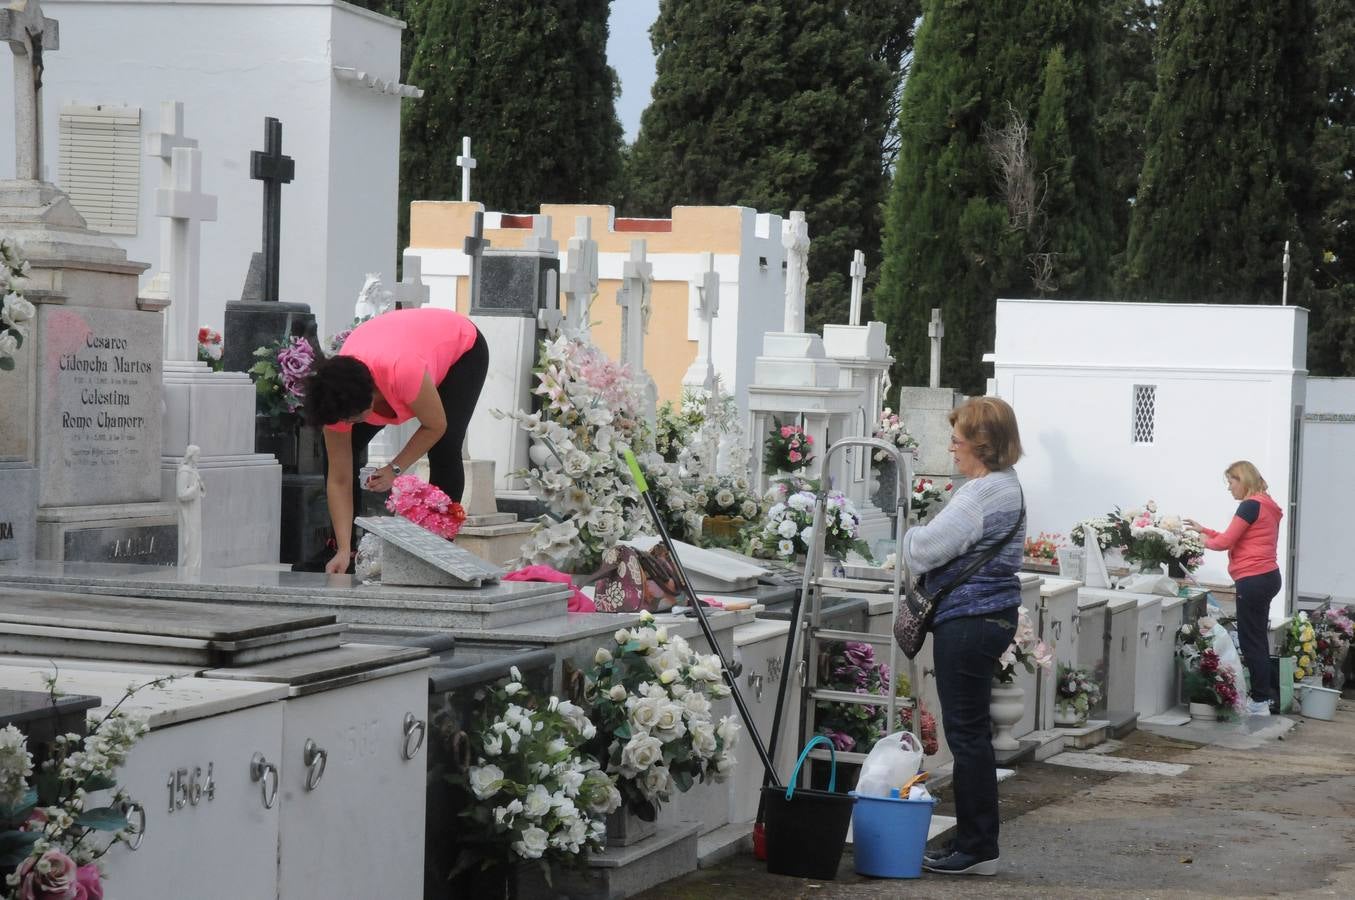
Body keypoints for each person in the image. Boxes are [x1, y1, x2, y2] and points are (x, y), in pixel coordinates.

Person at [902, 396, 1025, 877]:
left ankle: (977, 847)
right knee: (973, 733)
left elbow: (925, 549)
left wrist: (909, 532)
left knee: (968, 735)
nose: (951, 448)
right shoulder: (1006, 486)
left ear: (983, 443)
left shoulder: (981, 494)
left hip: (969, 621)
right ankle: (977, 840)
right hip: (992, 616)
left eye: (956, 439)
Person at [304, 307, 489, 574]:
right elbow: (339, 479)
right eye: (343, 421)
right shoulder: (334, 396)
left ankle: (437, 548)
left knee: (445, 445)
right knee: (335, 450)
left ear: (372, 395)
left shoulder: (402, 372)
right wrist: (344, 549)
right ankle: (343, 549)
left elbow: (435, 425)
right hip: (395, 341)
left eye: (354, 419)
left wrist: (394, 469)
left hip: (460, 347)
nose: (347, 426)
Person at [1185, 461, 1282, 717]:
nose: (1229, 488)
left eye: (1231, 482)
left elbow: (1225, 542)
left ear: (1243, 480)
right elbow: (1236, 536)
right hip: (1268, 576)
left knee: (1251, 641)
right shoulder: (1266, 504)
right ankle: (1263, 697)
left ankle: (1260, 701)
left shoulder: (1249, 505)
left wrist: (1200, 540)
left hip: (1253, 578)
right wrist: (1204, 530)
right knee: (1258, 638)